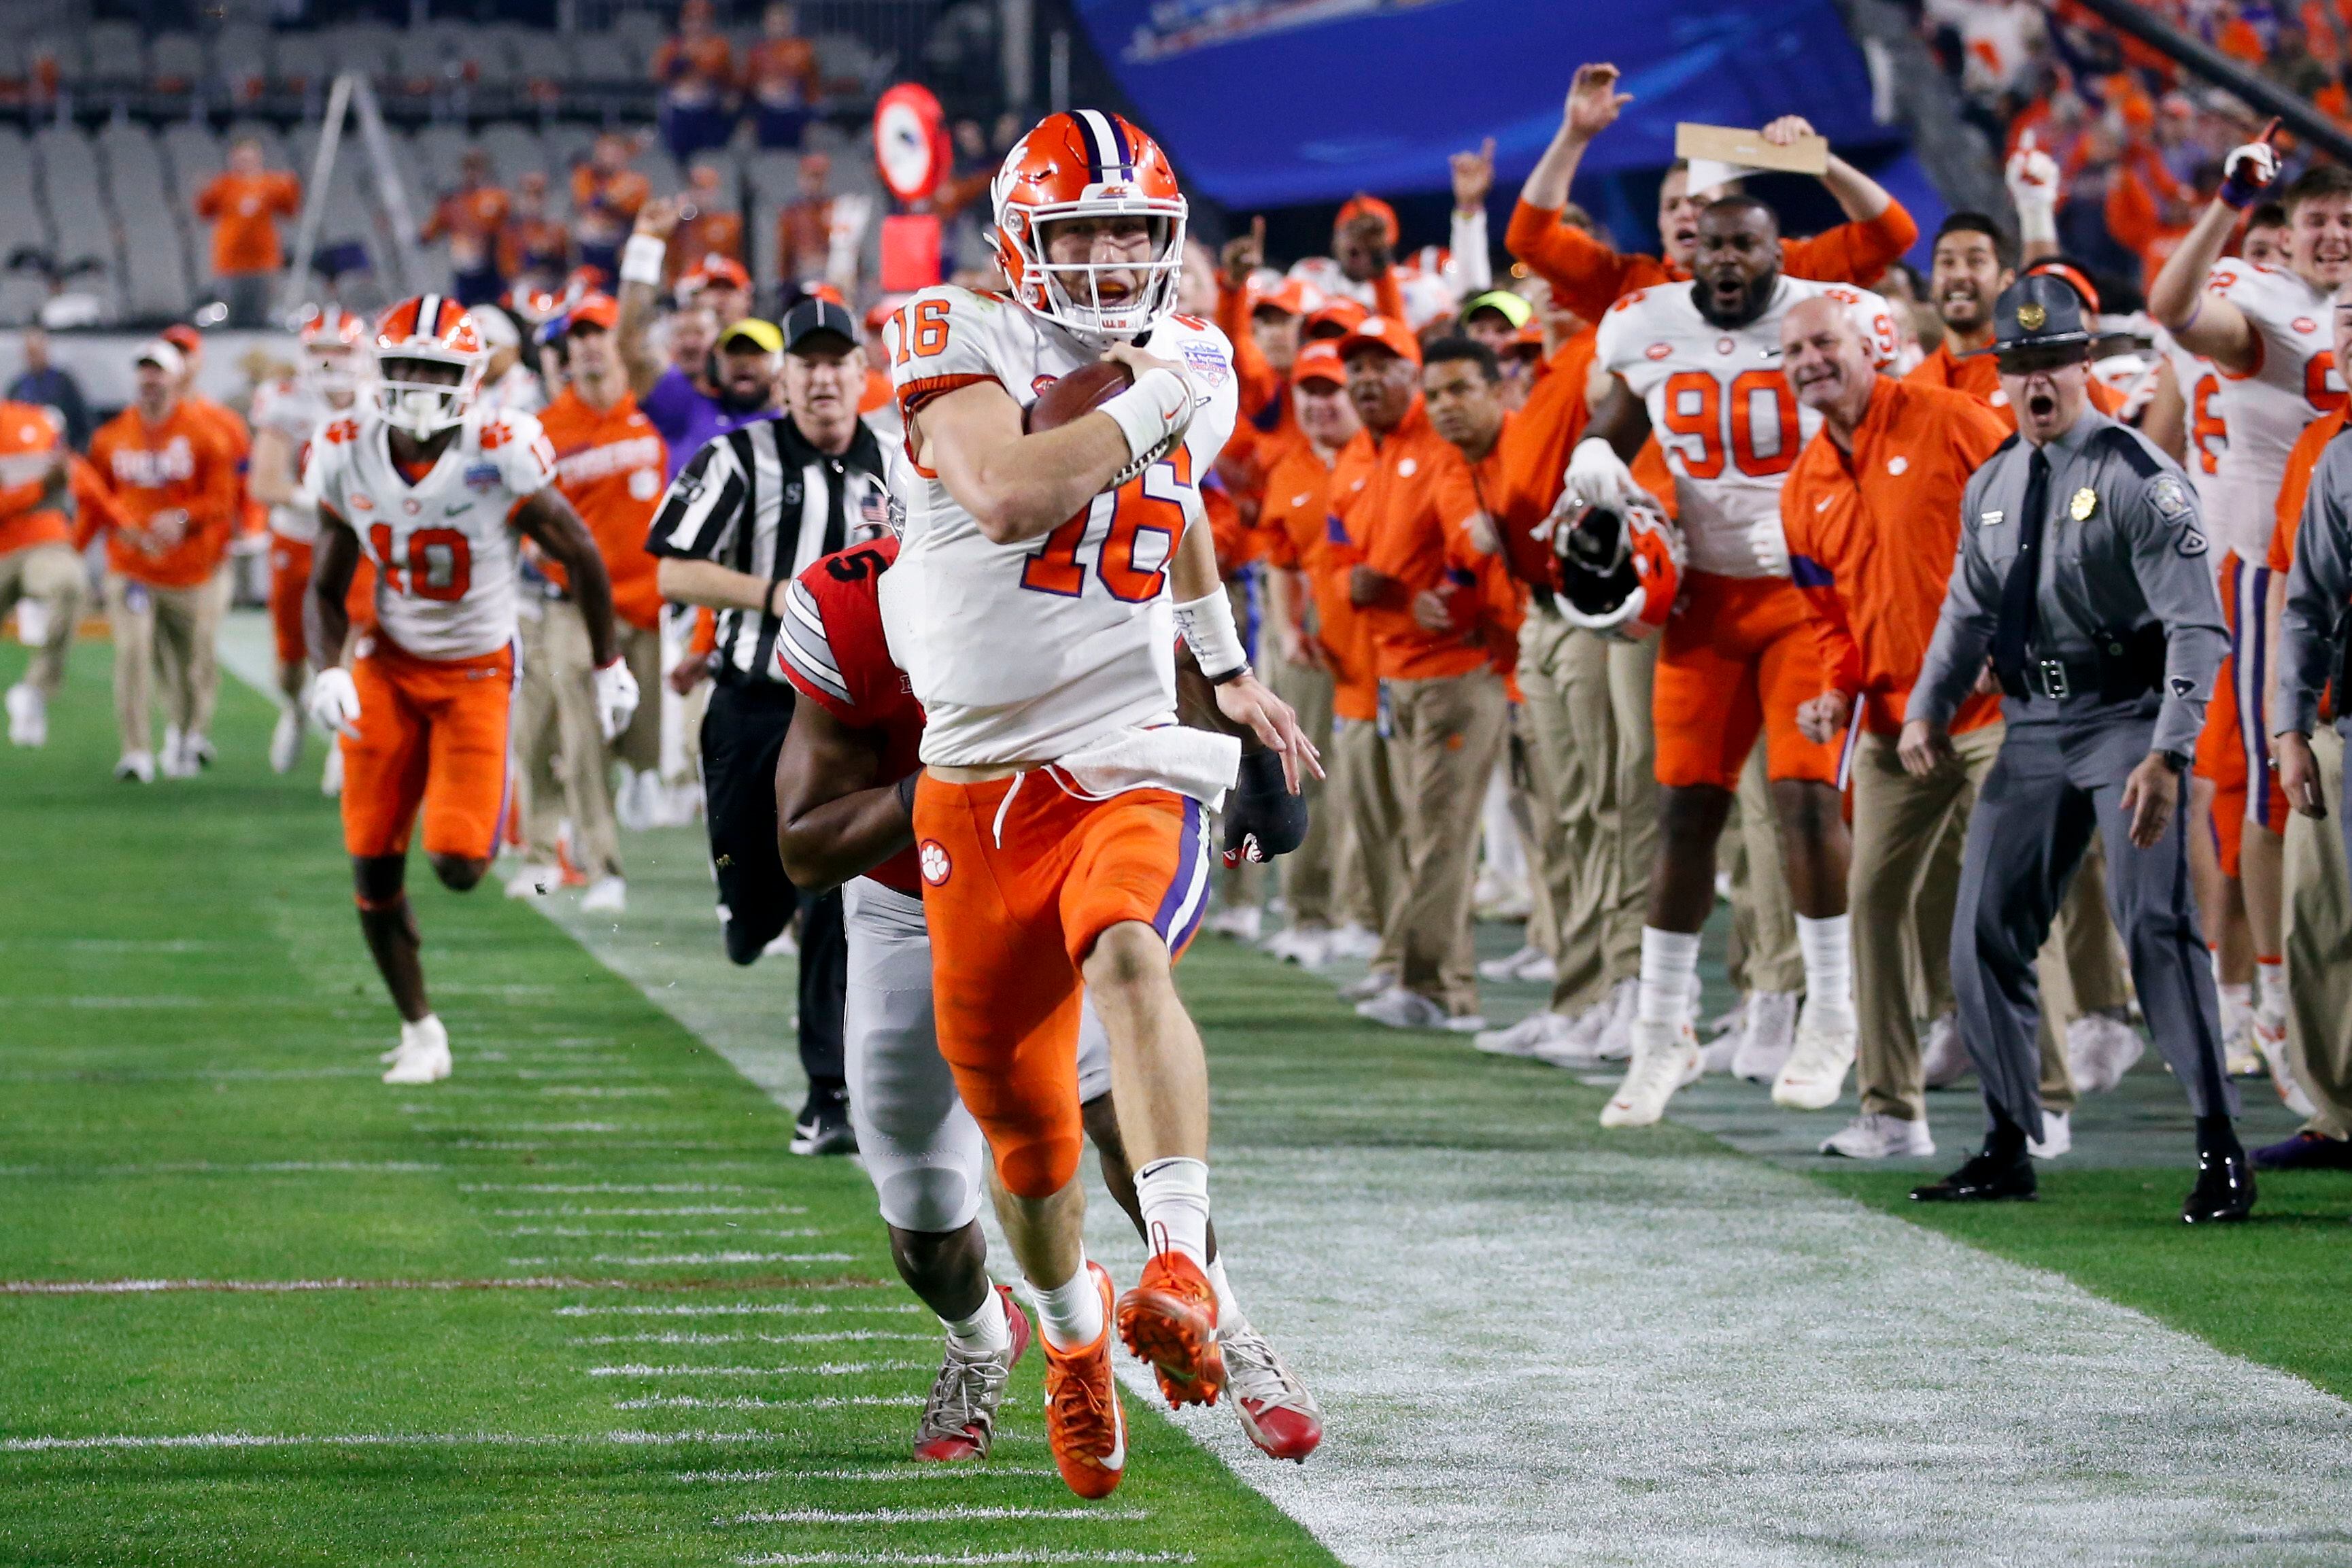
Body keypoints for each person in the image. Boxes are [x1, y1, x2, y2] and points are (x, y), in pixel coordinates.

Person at [881, 110, 1318, 1500]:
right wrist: (1154, 395)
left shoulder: (1190, 361)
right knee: (1024, 1140)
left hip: (1126, 751)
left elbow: (1172, 500)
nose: (1115, 254)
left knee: (1129, 946)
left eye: (1135, 229)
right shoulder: (951, 332)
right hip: (972, 785)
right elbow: (1011, 492)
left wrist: (1229, 669)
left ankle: (1182, 1263)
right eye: (1082, 231)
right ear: (1023, 240)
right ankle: (1073, 1351)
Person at [772, 529, 1322, 1466]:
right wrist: (953, 779)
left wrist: (1250, 757)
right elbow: (804, 845)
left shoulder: (1075, 546)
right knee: (923, 1220)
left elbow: (1180, 645)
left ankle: (1223, 1325)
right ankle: (986, 1334)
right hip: (915, 898)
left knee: (1118, 1111)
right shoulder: (850, 603)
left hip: (1054, 869)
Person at [1903, 275, 2249, 1223]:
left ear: (2082, 364)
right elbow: (1965, 611)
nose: (2033, 383)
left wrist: (2169, 752)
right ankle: (2007, 1140)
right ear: (1999, 379)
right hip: (2029, 727)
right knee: (1983, 931)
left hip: (2127, 721)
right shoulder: (1993, 481)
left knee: (2153, 928)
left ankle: (2219, 1145)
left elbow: (2196, 629)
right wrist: (1925, 706)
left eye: (2049, 361)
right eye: (2015, 367)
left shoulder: (2139, 475)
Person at [1575, 195, 1899, 1127]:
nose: (1725, 259)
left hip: (1802, 595)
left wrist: (1836, 534)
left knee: (1802, 800)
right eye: (1711, 243)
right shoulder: (1646, 324)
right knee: (1681, 812)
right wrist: (1590, 468)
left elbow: (1873, 431)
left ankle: (1829, 1012)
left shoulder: (1822, 317)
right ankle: (1661, 1031)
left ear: (1773, 249)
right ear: (1690, 250)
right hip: (1703, 598)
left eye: (1744, 244)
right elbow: (1607, 428)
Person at [304, 296, 638, 1087]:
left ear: (471, 378)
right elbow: (325, 582)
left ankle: (459, 806)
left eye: (436, 369)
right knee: (372, 864)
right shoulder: (347, 446)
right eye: (405, 367)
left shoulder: (502, 445)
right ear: (378, 372)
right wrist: (329, 667)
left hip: (477, 672)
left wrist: (606, 663)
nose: (418, 383)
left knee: (457, 862)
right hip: (386, 665)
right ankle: (421, 1030)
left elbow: (582, 552)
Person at [645, 296, 891, 1156]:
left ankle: (828, 1092)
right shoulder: (736, 458)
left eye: (838, 362)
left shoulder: (902, 457)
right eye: (808, 364)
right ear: (785, 378)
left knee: (836, 889)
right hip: (753, 698)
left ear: (864, 373)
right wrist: (773, 595)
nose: (824, 379)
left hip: (852, 712)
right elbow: (673, 572)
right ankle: (747, 907)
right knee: (755, 904)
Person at [1779, 296, 2013, 1155]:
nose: (1811, 359)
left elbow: (2030, 523)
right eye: (1795, 349)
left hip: (1992, 708)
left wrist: (2010, 636)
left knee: (2003, 901)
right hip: (1886, 722)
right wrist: (1835, 689)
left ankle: (2039, 1102)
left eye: (1824, 342)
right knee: (1872, 902)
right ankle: (1890, 1110)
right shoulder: (1804, 483)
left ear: (1867, 345)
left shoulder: (1952, 418)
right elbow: (1828, 614)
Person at [2149, 150, 2352, 1098]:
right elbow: (2174, 306)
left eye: (2345, 218)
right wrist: (2226, 201)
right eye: (2316, 219)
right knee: (2277, 790)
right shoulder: (2266, 305)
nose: (2332, 235)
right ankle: (2275, 998)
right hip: (2279, 567)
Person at [1333, 328, 1520, 1029]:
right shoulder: (1364, 455)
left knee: (1441, 832)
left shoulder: (1437, 449)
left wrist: (1460, 581)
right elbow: (1348, 554)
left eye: (1384, 365)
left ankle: (1441, 986)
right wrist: (1365, 583)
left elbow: (1468, 528)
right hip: (1394, 670)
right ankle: (1405, 965)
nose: (1366, 379)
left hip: (1455, 668)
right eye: (1355, 367)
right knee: (1415, 829)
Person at [1510, 65, 1915, 330]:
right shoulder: (1630, 285)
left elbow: (1891, 234)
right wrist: (1573, 138)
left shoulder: (1787, 268)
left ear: (1740, 220)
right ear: (1660, 226)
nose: (1685, 212)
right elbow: (1529, 239)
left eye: (1700, 203)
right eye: (1671, 207)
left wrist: (1820, 161)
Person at [507, 294, 667, 915]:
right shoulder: (546, 429)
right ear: (566, 351)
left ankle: (642, 779)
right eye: (578, 337)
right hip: (574, 607)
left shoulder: (654, 412)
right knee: (578, 736)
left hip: (649, 605)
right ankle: (602, 865)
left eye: (599, 333)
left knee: (644, 737)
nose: (590, 345)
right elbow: (525, 524)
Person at [2269, 282, 2352, 1171]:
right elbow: (2306, 605)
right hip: (2341, 720)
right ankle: (2337, 1115)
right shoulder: (2336, 457)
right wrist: (2286, 727)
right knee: (2317, 916)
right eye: (2346, 320)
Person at [79, 339, 240, 783]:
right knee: (132, 652)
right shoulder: (112, 436)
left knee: (192, 664)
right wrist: (81, 547)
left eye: (158, 373)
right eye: (143, 373)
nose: (149, 381)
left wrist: (185, 518)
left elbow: (223, 500)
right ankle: (135, 751)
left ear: (176, 379)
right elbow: (97, 498)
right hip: (131, 568)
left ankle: (187, 735)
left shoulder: (207, 434)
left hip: (187, 571)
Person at [1251, 342, 1362, 966]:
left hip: (1375, 629)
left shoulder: (1381, 455)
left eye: (1333, 391)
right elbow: (1280, 559)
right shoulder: (1292, 464)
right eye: (1310, 391)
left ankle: (1364, 914)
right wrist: (1291, 628)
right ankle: (1310, 911)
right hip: (1314, 630)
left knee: (1371, 784)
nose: (1321, 404)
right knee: (1305, 770)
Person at [248, 305, 369, 784]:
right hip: (299, 537)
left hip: (358, 539)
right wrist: (323, 501)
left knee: (355, 633)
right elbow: (263, 483)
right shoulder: (285, 401)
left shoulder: (376, 402)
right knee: (291, 657)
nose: (331, 361)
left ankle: (343, 738)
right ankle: (295, 710)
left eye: (340, 351)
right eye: (320, 350)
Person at [618, 201, 777, 473]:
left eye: (755, 355)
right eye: (734, 354)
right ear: (717, 355)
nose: (743, 364)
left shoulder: (794, 424)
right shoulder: (687, 406)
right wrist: (646, 246)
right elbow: (632, 344)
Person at [0, 398, 78, 747]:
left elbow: (75, 481)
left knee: (71, 584)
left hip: (42, 542)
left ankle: (35, 690)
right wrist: (37, 489)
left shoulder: (36, 420)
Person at [194, 138, 301, 330]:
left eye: (250, 158)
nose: (246, 163)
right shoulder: (223, 185)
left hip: (264, 262)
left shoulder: (272, 184)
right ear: (233, 160)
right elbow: (204, 213)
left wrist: (292, 187)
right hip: (230, 262)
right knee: (232, 316)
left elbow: (290, 211)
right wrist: (203, 191)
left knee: (262, 316)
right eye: (241, 158)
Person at [420, 151, 511, 308]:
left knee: (497, 311)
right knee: (465, 311)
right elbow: (428, 234)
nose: (473, 173)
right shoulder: (452, 203)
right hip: (464, 271)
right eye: (469, 168)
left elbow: (510, 231)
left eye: (476, 168)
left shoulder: (496, 199)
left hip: (492, 269)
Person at [651, 0, 736, 162]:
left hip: (709, 112)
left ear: (709, 23)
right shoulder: (672, 47)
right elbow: (659, 76)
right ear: (683, 22)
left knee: (709, 161)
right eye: (692, 20)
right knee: (677, 160)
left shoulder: (720, 47)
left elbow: (730, 81)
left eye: (702, 20)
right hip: (680, 112)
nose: (697, 25)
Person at [570, 133, 651, 284]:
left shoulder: (637, 181)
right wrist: (611, 197)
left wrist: (611, 200)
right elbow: (587, 205)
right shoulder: (585, 175)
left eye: (615, 153)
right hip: (590, 242)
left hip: (622, 238)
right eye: (606, 152)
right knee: (585, 228)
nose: (610, 157)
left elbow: (636, 214)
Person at [745, 3, 819, 151]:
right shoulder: (756, 53)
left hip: (794, 114)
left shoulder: (803, 51)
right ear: (766, 24)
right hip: (766, 115)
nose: (778, 28)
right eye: (774, 23)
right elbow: (748, 88)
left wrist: (811, 119)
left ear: (790, 24)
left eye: (782, 23)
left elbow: (812, 87)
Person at [6, 327, 90, 451]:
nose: (34, 358)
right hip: (26, 455)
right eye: (30, 353)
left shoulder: (64, 383)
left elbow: (83, 423)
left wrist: (76, 452)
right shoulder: (17, 388)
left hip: (60, 453)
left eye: (37, 352)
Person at [497, 171, 573, 300]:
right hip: (523, 293)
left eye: (538, 196)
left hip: (553, 290)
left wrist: (549, 253)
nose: (532, 202)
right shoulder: (510, 233)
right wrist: (533, 256)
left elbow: (566, 268)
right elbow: (508, 273)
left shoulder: (556, 230)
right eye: (528, 196)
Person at [666, 165, 743, 284]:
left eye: (706, 189)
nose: (701, 195)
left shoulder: (731, 223)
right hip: (682, 285)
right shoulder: (678, 224)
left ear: (716, 190)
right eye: (696, 188)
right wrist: (675, 215)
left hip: (718, 284)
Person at [777, 152, 837, 289]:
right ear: (801, 178)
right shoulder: (791, 213)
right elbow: (784, 256)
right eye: (810, 176)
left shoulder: (835, 209)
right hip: (800, 277)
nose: (814, 183)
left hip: (831, 275)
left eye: (819, 177)